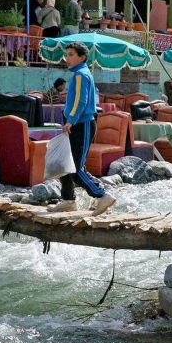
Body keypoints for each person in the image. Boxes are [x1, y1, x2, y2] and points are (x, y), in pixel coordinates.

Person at [48, 42, 115, 216]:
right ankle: (68, 200)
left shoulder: (80, 75)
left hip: (81, 124)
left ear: (82, 57)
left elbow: (81, 101)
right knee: (65, 163)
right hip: (76, 124)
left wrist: (71, 120)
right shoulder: (81, 74)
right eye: (67, 54)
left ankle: (102, 195)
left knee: (76, 168)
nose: (67, 58)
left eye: (71, 54)